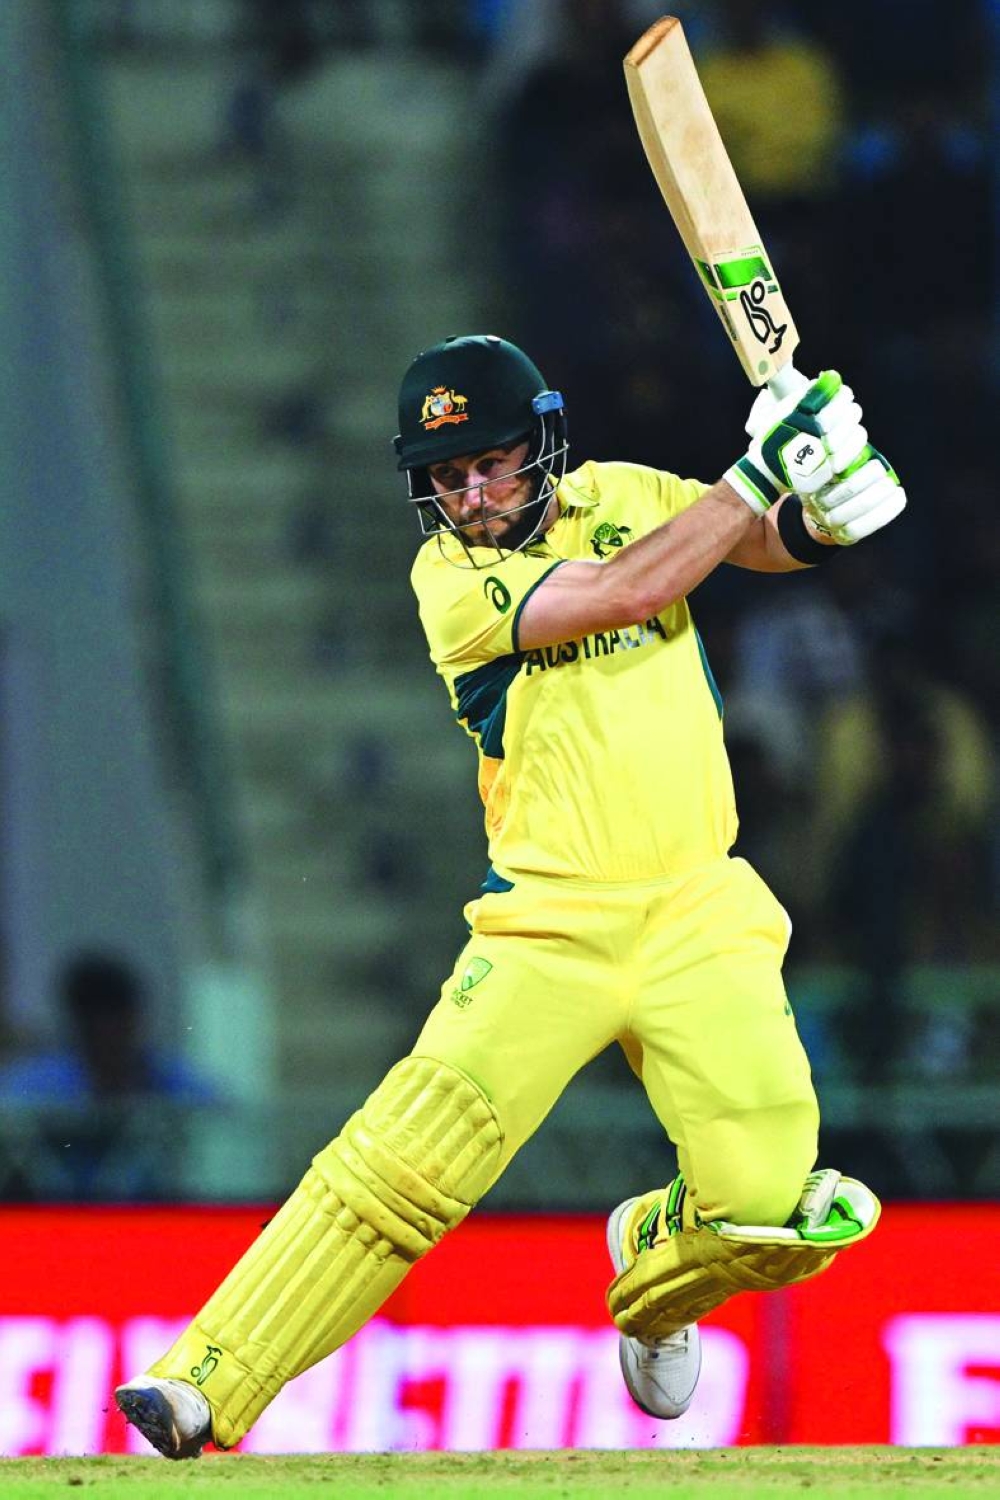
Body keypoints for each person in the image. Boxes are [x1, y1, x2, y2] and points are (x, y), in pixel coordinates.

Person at [116, 334, 904, 1457]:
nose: (471, 495)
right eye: (444, 476)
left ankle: (656, 1267)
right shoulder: (450, 583)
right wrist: (758, 471)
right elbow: (636, 585)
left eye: (491, 463)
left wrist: (828, 502)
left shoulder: (627, 494)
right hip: (549, 925)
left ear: (542, 444)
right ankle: (203, 1382)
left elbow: (758, 543)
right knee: (399, 1167)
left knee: (767, 1206)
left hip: (700, 911)